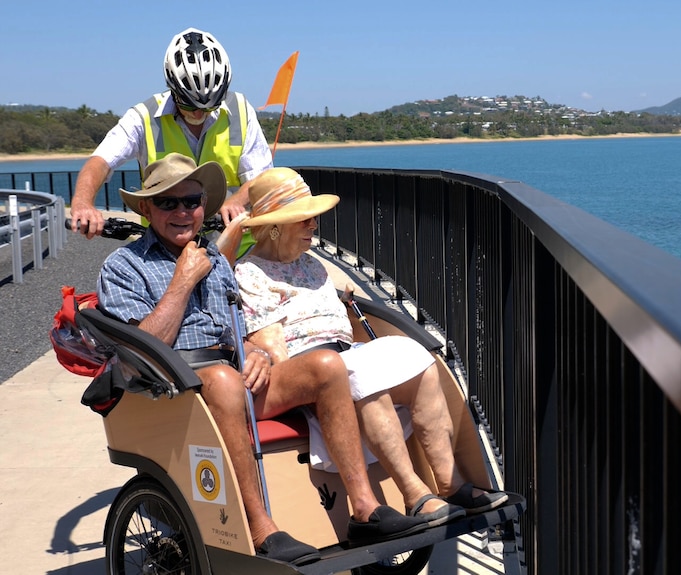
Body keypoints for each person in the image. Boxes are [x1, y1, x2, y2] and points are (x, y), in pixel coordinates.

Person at [96, 153, 428, 567]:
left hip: (229, 375)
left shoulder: (215, 261)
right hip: (172, 385)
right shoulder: (124, 266)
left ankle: (364, 508)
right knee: (222, 378)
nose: (183, 212)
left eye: (193, 201)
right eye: (168, 203)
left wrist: (255, 354)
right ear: (146, 208)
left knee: (327, 366)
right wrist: (182, 282)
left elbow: (233, 331)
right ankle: (259, 527)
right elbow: (141, 348)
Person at [225, 167, 509, 527]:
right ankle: (415, 495)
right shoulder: (250, 273)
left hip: (342, 354)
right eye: (306, 220)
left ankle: (450, 484)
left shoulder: (312, 265)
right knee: (362, 375)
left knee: (417, 357)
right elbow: (272, 348)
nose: (314, 226)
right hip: (307, 368)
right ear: (276, 226)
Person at [71, 27, 271, 241]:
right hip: (166, 245)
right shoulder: (143, 116)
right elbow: (100, 161)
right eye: (188, 103)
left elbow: (260, 177)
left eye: (209, 106)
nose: (198, 112)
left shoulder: (240, 109)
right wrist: (83, 202)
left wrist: (235, 202)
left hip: (233, 245)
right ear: (172, 89)